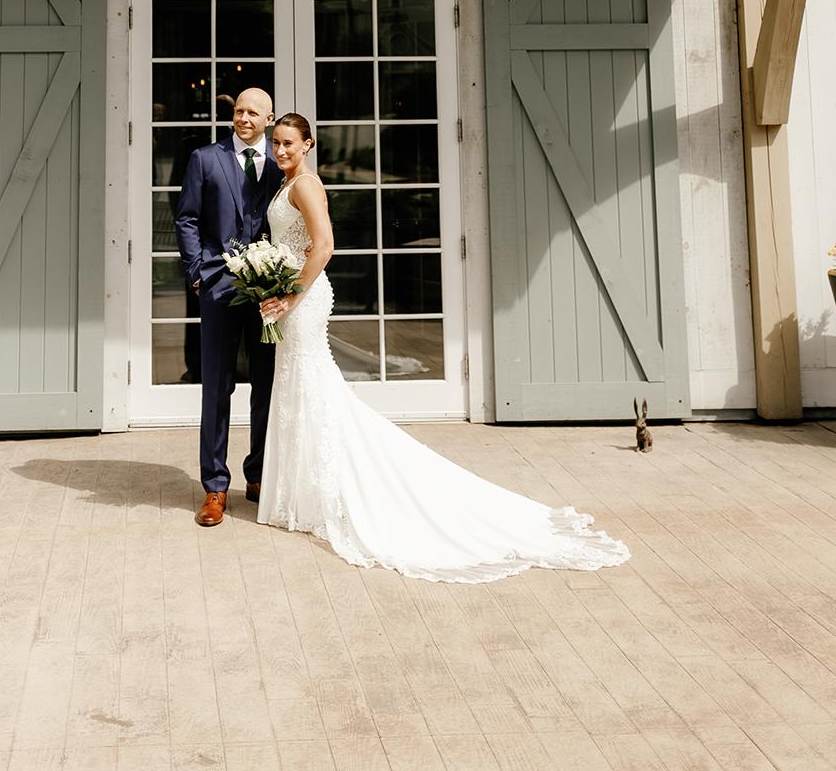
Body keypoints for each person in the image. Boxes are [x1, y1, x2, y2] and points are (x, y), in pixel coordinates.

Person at [256, 113, 631, 583]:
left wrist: (291, 294)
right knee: (299, 389)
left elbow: (325, 245)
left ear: (308, 144)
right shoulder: (285, 182)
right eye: (277, 143)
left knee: (313, 388)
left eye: (289, 143)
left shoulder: (305, 185)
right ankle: (302, 497)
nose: (281, 150)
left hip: (304, 298)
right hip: (289, 295)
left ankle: (333, 494)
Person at [174, 87, 282, 527]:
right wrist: (198, 271)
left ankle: (257, 476)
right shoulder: (205, 158)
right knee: (216, 389)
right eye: (238, 111)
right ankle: (215, 487)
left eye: (253, 113)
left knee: (266, 387)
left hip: (268, 294)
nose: (243, 119)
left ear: (269, 118)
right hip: (218, 288)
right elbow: (187, 218)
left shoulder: (280, 163)